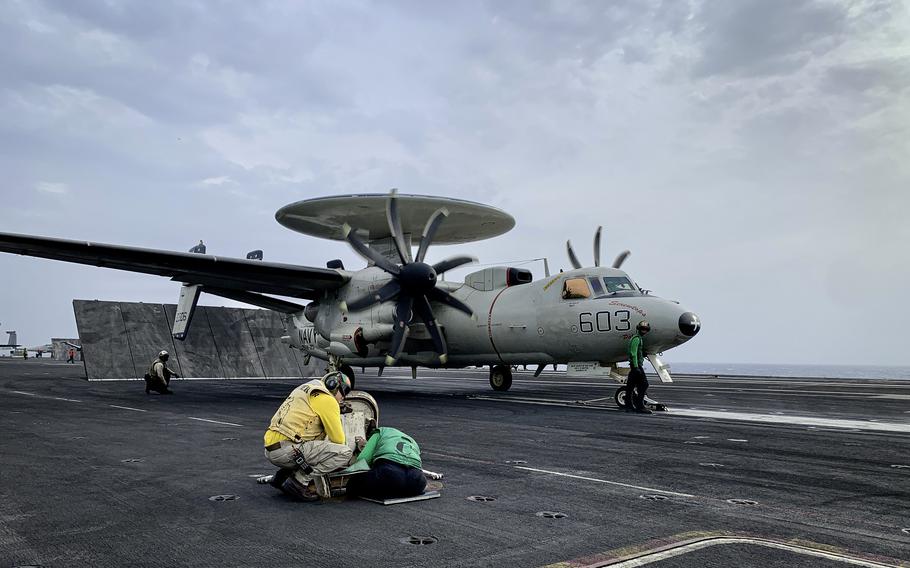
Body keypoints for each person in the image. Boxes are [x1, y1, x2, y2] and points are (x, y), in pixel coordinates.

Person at [260, 371, 354, 501]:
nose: (344, 397)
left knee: (312, 444)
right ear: (333, 386)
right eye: (344, 392)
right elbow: (338, 440)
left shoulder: (306, 388)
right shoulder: (328, 400)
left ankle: (282, 477)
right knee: (344, 452)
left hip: (272, 448)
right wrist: (334, 414)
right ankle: (299, 482)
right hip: (287, 451)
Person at [346, 424, 427, 500]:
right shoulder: (411, 440)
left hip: (390, 474)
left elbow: (363, 459)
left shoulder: (379, 432)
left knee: (353, 483)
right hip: (418, 480)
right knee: (401, 483)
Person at [625, 321, 652, 414]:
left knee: (630, 386)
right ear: (639, 329)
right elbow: (633, 353)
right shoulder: (637, 339)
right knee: (644, 384)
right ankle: (640, 406)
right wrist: (636, 367)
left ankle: (629, 406)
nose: (644, 331)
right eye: (642, 329)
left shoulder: (637, 338)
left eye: (645, 329)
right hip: (636, 366)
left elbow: (635, 352)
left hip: (634, 366)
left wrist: (642, 353)